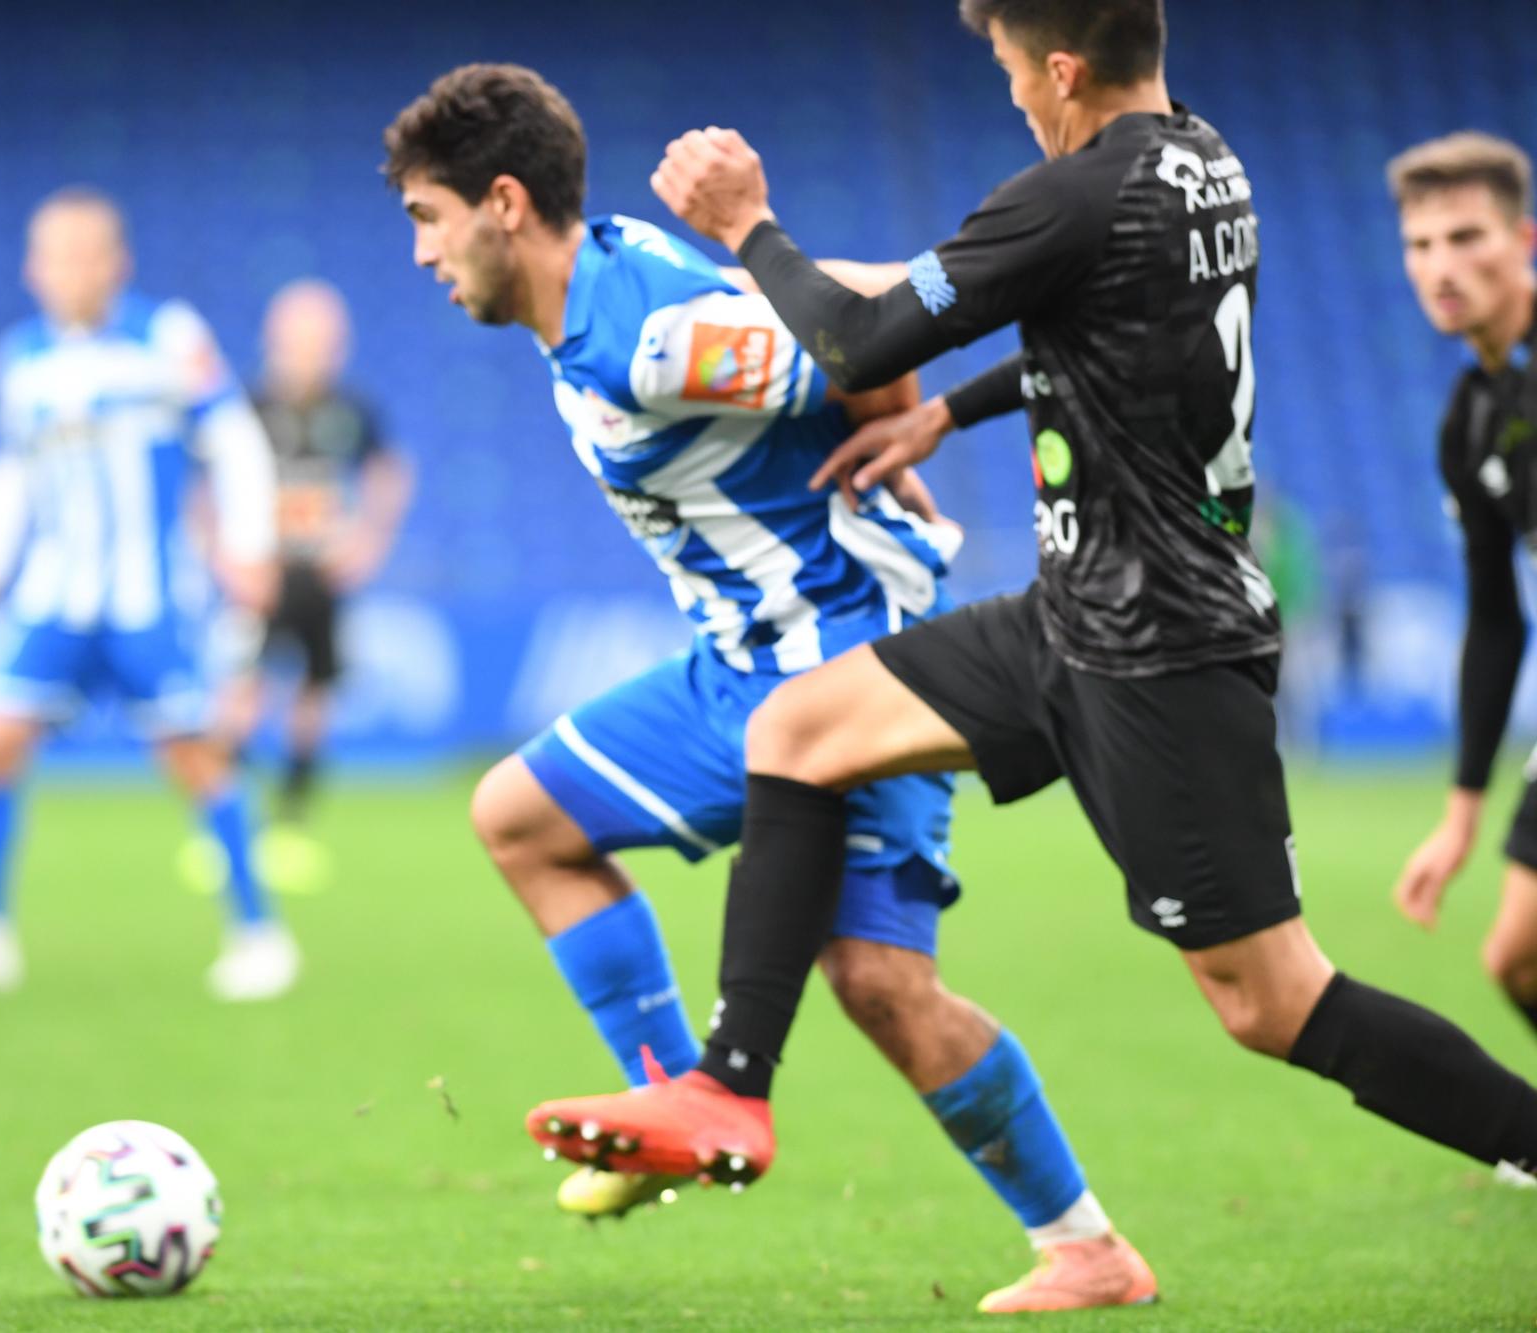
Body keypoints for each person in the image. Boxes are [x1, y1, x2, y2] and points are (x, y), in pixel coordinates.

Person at [525, 0, 1537, 1268]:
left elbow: (856, 337)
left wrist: (744, 228)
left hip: (1161, 654)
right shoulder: (1202, 158)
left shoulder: (1067, 194)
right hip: (1077, 608)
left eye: (1008, 67)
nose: (1007, 92)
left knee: (1269, 1003)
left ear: (1059, 67)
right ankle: (728, 1081)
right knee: (797, 727)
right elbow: (1102, 331)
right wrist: (949, 416)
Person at [387, 63, 1157, 1312]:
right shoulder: (602, 274)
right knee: (519, 816)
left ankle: (1082, 1247)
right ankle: (669, 1096)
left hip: (836, 659)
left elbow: (869, 337)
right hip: (739, 661)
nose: (419, 254)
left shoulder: (643, 339)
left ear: (505, 203)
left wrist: (896, 417)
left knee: (882, 986)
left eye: (427, 218)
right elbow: (846, 291)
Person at [0, 188, 296, 1001]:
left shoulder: (166, 336)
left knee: (195, 757)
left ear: (119, 262)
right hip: (54, 594)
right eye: (55, 255)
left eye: (87, 253)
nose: (71, 270)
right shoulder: (23, 355)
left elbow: (235, 437)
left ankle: (259, 934)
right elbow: (12, 475)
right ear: (33, 269)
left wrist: (249, 549)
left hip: (150, 595)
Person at [1387, 132, 1537, 1044]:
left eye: (1466, 237)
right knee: (1516, 957)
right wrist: (1459, 818)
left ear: (1523, 240)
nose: (1441, 266)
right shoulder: (1471, 417)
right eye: (1420, 245)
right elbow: (1495, 618)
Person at [213, 278, 412, 883]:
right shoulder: (244, 411)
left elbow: (391, 473)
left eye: (326, 340)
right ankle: (225, 830)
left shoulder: (351, 412)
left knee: (312, 696)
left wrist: (369, 541)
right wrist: (226, 561)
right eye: (304, 338)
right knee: (243, 694)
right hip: (259, 574)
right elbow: (202, 488)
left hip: (321, 577)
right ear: (275, 340)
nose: (315, 351)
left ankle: (290, 829)